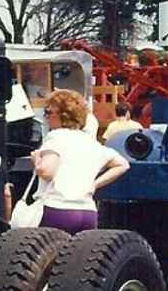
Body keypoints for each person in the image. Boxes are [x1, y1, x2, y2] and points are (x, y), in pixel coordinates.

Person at [31, 89, 130, 233]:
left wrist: (37, 160)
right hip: (87, 212)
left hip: (57, 208)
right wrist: (95, 184)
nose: (45, 117)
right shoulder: (90, 142)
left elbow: (46, 172)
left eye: (48, 112)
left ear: (62, 115)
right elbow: (122, 164)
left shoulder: (56, 137)